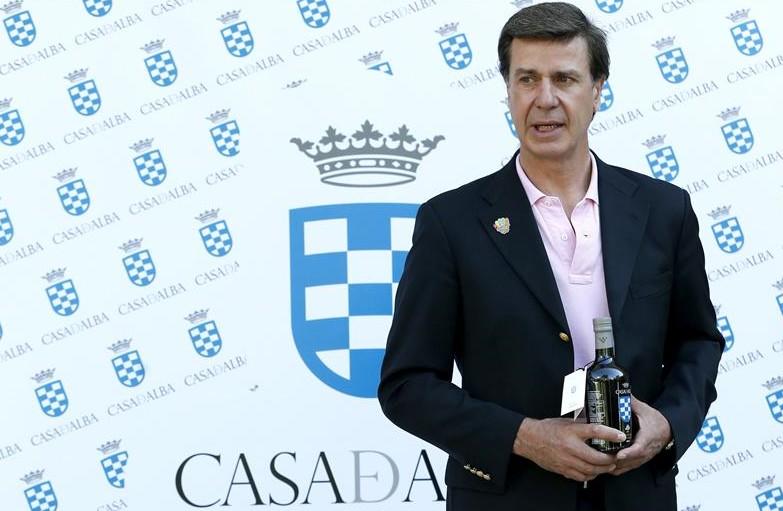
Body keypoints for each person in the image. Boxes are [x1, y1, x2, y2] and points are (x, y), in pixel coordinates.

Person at [377, 3, 724, 510]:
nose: (544, 99)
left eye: (564, 78)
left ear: (597, 89)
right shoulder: (451, 223)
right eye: (527, 79)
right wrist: (524, 437)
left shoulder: (664, 210)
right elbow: (407, 385)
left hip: (635, 495)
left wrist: (668, 423)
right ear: (508, 90)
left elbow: (698, 341)